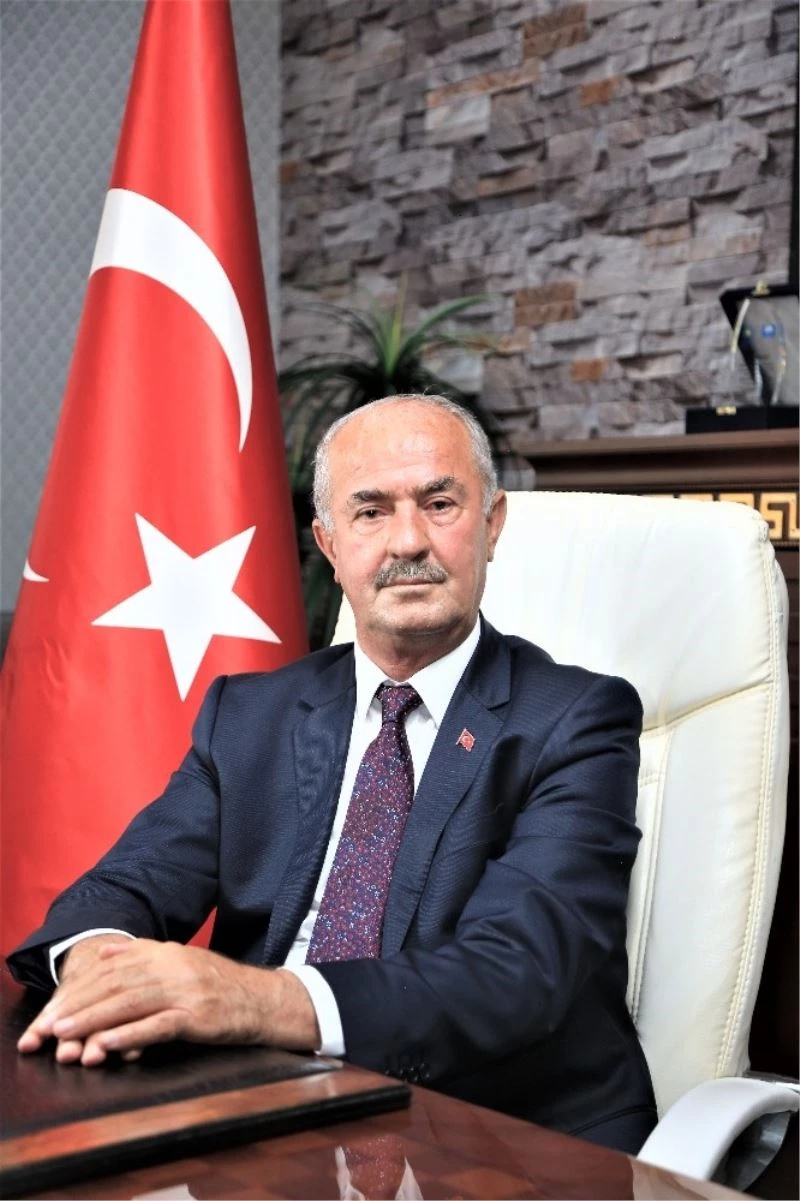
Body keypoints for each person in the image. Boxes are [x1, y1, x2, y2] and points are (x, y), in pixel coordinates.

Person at [10, 394, 657, 1152]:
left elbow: (513, 973)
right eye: (370, 512)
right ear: (329, 542)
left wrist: (249, 1000)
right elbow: (126, 884)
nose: (408, 541)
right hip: (264, 1111)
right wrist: (99, 964)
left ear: (492, 523)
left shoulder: (576, 718)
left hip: (496, 1136)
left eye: (439, 504)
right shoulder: (248, 714)